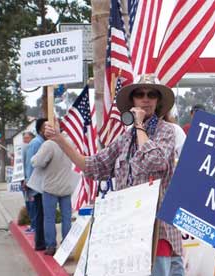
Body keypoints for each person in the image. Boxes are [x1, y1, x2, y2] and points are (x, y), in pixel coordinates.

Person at [44, 74, 185, 275]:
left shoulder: (167, 131)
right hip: (128, 232)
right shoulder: (124, 139)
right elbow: (91, 166)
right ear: (132, 100)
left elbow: (155, 161)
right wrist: (59, 139)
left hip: (157, 232)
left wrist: (138, 125)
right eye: (140, 94)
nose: (145, 98)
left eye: (151, 94)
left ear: (158, 101)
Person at [31, 135, 79, 256]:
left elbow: (37, 162)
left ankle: (51, 246)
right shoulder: (69, 142)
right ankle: (66, 246)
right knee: (66, 217)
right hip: (66, 185)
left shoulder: (49, 144)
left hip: (50, 186)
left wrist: (33, 158)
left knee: (49, 218)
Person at [25, 118, 47, 251]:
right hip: (38, 185)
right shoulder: (37, 143)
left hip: (42, 184)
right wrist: (30, 183)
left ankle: (41, 241)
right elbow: (31, 164)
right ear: (40, 129)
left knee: (42, 214)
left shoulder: (42, 142)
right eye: (46, 127)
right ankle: (40, 243)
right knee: (40, 214)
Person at [21, 131, 36, 234]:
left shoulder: (32, 148)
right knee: (28, 204)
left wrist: (27, 180)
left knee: (32, 204)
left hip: (30, 181)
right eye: (24, 139)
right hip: (23, 180)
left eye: (27, 138)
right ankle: (32, 225)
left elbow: (29, 166)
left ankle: (34, 226)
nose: (25, 140)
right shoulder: (23, 149)